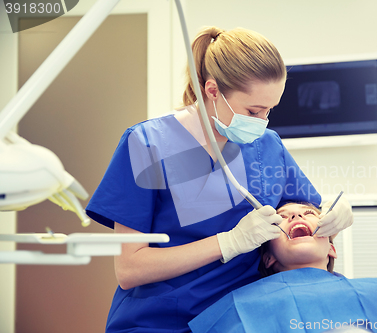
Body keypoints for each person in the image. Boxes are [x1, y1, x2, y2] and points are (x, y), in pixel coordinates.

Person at [85, 26, 354, 332]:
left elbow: (302, 210)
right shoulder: (147, 144)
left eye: (269, 110)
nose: (262, 121)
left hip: (244, 319)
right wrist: (228, 242)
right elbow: (130, 269)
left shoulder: (267, 145)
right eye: (253, 110)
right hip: (160, 322)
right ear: (212, 91)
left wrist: (336, 211)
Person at [188, 202, 377, 333]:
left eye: (308, 213)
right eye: (283, 217)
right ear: (268, 258)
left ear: (331, 248)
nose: (296, 217)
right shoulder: (236, 306)